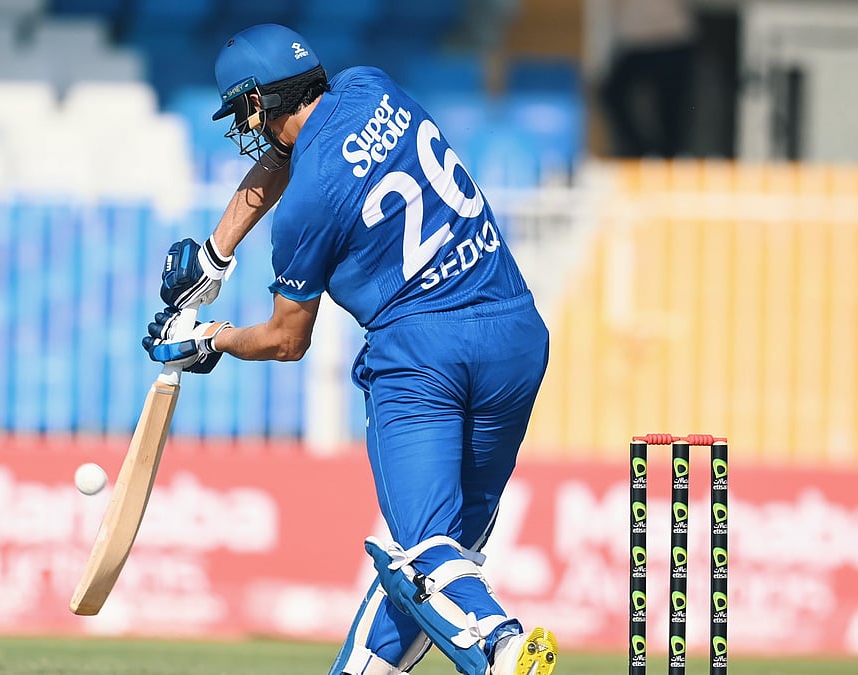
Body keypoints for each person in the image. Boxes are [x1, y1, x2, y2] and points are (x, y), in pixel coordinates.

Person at [142, 24, 556, 675]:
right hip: (514, 332)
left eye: (245, 109)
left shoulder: (306, 207)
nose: (243, 124)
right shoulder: (371, 86)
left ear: (259, 102)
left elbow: (286, 339)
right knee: (450, 552)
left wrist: (208, 337)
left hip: (423, 354)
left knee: (419, 553)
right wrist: (216, 254)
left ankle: (503, 648)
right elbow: (290, 155)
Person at [599, 0, 696, 158]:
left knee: (671, 107)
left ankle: (667, 156)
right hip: (636, 41)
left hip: (673, 36)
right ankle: (645, 152)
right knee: (613, 94)